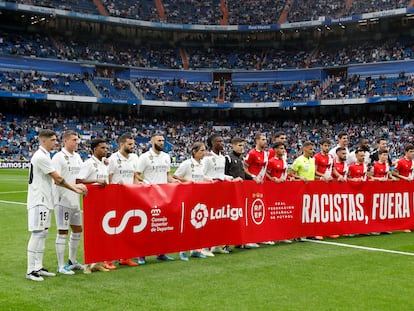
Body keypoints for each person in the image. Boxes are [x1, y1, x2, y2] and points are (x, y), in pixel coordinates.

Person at [26, 129, 87, 282]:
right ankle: (30, 270)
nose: (55, 142)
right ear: (43, 141)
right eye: (52, 140)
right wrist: (75, 188)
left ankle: (38, 267)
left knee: (43, 233)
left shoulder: (46, 155)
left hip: (45, 200)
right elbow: (58, 178)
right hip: (38, 199)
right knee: (37, 233)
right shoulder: (41, 156)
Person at [136, 133, 178, 264]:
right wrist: (144, 183)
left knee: (163, 226)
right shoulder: (144, 157)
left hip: (164, 196)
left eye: (163, 140)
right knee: (148, 226)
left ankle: (161, 252)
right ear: (151, 141)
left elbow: (167, 176)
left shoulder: (166, 157)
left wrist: (176, 182)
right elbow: (136, 175)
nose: (162, 142)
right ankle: (141, 254)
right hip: (149, 196)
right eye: (159, 140)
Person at [105, 133, 141, 270]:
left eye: (133, 144)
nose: (132, 147)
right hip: (115, 199)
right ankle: (108, 259)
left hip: (130, 197)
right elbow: (107, 178)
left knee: (128, 229)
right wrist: (113, 188)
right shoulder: (113, 159)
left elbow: (135, 176)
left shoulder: (134, 158)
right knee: (113, 229)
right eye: (129, 144)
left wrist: (138, 185)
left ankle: (125, 257)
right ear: (121, 145)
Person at [52, 130, 84, 275]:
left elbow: (81, 177)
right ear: (65, 141)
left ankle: (72, 260)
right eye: (74, 140)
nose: (76, 143)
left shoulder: (77, 157)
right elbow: (56, 180)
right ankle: (60, 265)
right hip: (62, 199)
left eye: (77, 140)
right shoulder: (58, 157)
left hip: (75, 200)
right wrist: (74, 187)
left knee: (78, 230)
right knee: (63, 231)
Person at [76, 138, 111, 274]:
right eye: (103, 148)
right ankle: (87, 265)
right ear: (95, 149)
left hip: (103, 202)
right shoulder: (89, 164)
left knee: (101, 233)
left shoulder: (104, 164)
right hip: (91, 203)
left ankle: (96, 263)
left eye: (106, 148)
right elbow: (78, 180)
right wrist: (95, 181)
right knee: (91, 234)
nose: (105, 150)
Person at [204, 133, 242, 253]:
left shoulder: (222, 158)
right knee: (208, 219)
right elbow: (203, 175)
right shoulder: (207, 158)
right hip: (210, 191)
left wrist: (231, 178)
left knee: (219, 219)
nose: (221, 143)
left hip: (221, 192)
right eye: (218, 141)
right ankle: (204, 247)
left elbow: (222, 174)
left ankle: (218, 245)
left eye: (222, 141)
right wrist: (213, 179)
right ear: (212, 143)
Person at [173, 142, 211, 260]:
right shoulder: (187, 164)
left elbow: (201, 177)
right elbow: (175, 176)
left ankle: (195, 250)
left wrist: (210, 180)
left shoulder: (201, 164)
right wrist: (187, 181)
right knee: (186, 225)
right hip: (187, 197)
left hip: (199, 198)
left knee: (198, 224)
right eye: (201, 151)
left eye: (204, 150)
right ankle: (182, 251)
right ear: (194, 151)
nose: (204, 153)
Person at [225, 137, 259, 249]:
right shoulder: (228, 158)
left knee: (241, 218)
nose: (241, 148)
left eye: (243, 145)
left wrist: (253, 177)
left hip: (241, 193)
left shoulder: (240, 159)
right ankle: (227, 243)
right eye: (239, 145)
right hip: (231, 193)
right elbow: (224, 175)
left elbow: (244, 175)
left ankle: (240, 241)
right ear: (233, 146)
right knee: (231, 219)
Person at [244, 132, 275, 245]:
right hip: (252, 185)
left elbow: (266, 170)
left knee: (261, 211)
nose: (265, 141)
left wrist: (269, 178)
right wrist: (253, 177)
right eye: (262, 139)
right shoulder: (252, 153)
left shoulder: (266, 154)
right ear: (257, 141)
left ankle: (261, 236)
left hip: (262, 185)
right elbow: (245, 168)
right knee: (251, 211)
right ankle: (249, 238)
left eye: (265, 139)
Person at [290, 141, 322, 241]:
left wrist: (322, 177)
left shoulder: (312, 160)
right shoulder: (298, 160)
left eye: (312, 149)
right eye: (310, 149)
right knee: (299, 212)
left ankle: (309, 233)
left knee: (309, 212)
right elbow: (291, 174)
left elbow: (313, 174)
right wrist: (300, 177)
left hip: (311, 189)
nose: (312, 151)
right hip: (300, 189)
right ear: (304, 149)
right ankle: (296, 234)